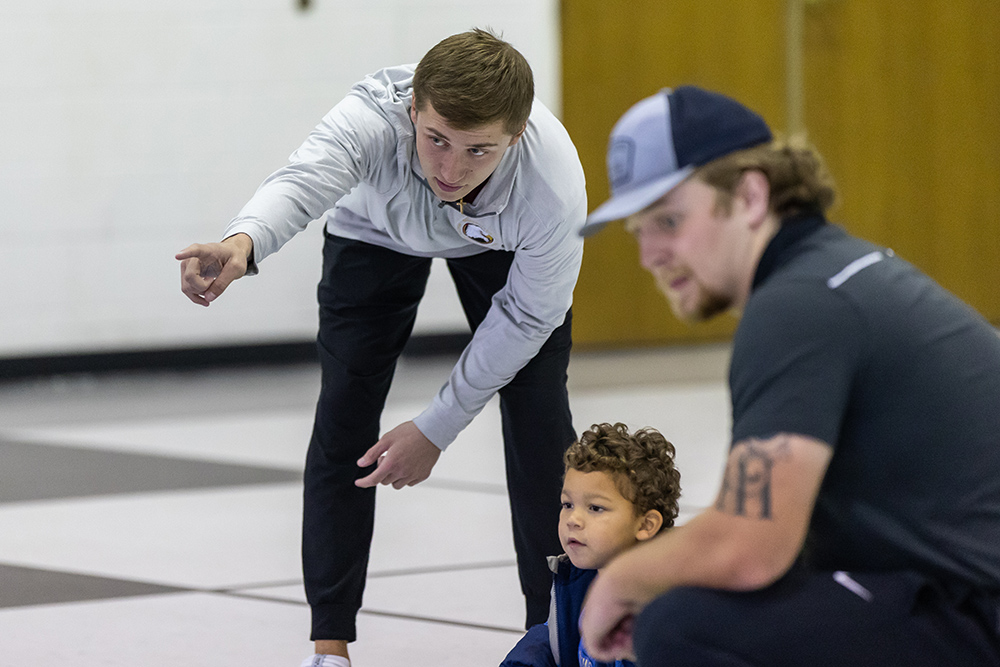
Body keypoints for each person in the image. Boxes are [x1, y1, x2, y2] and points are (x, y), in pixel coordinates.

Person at [176, 29, 587, 666]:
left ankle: (554, 636)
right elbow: (305, 178)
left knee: (539, 414)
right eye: (436, 140)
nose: (450, 170)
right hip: (374, 233)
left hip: (498, 246)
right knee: (344, 406)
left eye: (479, 150)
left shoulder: (551, 185)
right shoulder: (373, 113)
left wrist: (437, 427)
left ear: (518, 133)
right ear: (411, 111)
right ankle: (329, 646)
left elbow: (530, 319)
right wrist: (244, 242)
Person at [576, 86, 1000, 666]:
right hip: (964, 590)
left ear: (750, 195)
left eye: (669, 221)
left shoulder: (795, 306)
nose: (650, 253)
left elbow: (751, 546)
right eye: (638, 231)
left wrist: (619, 580)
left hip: (978, 613)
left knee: (684, 626)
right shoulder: (836, 273)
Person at [501, 422, 681, 667]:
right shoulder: (579, 579)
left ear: (645, 525)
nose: (573, 520)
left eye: (595, 508)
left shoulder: (659, 609)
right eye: (567, 505)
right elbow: (550, 637)